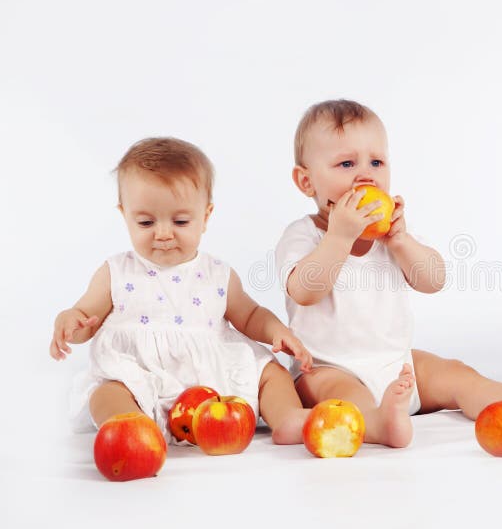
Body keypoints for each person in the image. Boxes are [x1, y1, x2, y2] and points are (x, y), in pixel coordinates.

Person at [276, 99, 502, 448]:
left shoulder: (392, 236)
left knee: (454, 373)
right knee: (341, 394)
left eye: (376, 162)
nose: (366, 174)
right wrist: (339, 236)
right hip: (327, 367)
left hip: (397, 363)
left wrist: (401, 242)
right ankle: (378, 423)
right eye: (346, 163)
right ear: (306, 182)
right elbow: (304, 291)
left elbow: (433, 279)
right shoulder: (304, 235)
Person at [50, 137, 313, 455]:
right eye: (145, 222)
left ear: (206, 215)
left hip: (214, 377)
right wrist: (71, 323)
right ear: (125, 214)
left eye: (180, 221)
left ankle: (287, 418)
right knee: (106, 392)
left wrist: (277, 332)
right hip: (141, 373)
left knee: (271, 372)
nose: (162, 233)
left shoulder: (218, 273)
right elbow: (86, 317)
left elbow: (250, 315)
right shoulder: (116, 272)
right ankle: (131, 429)